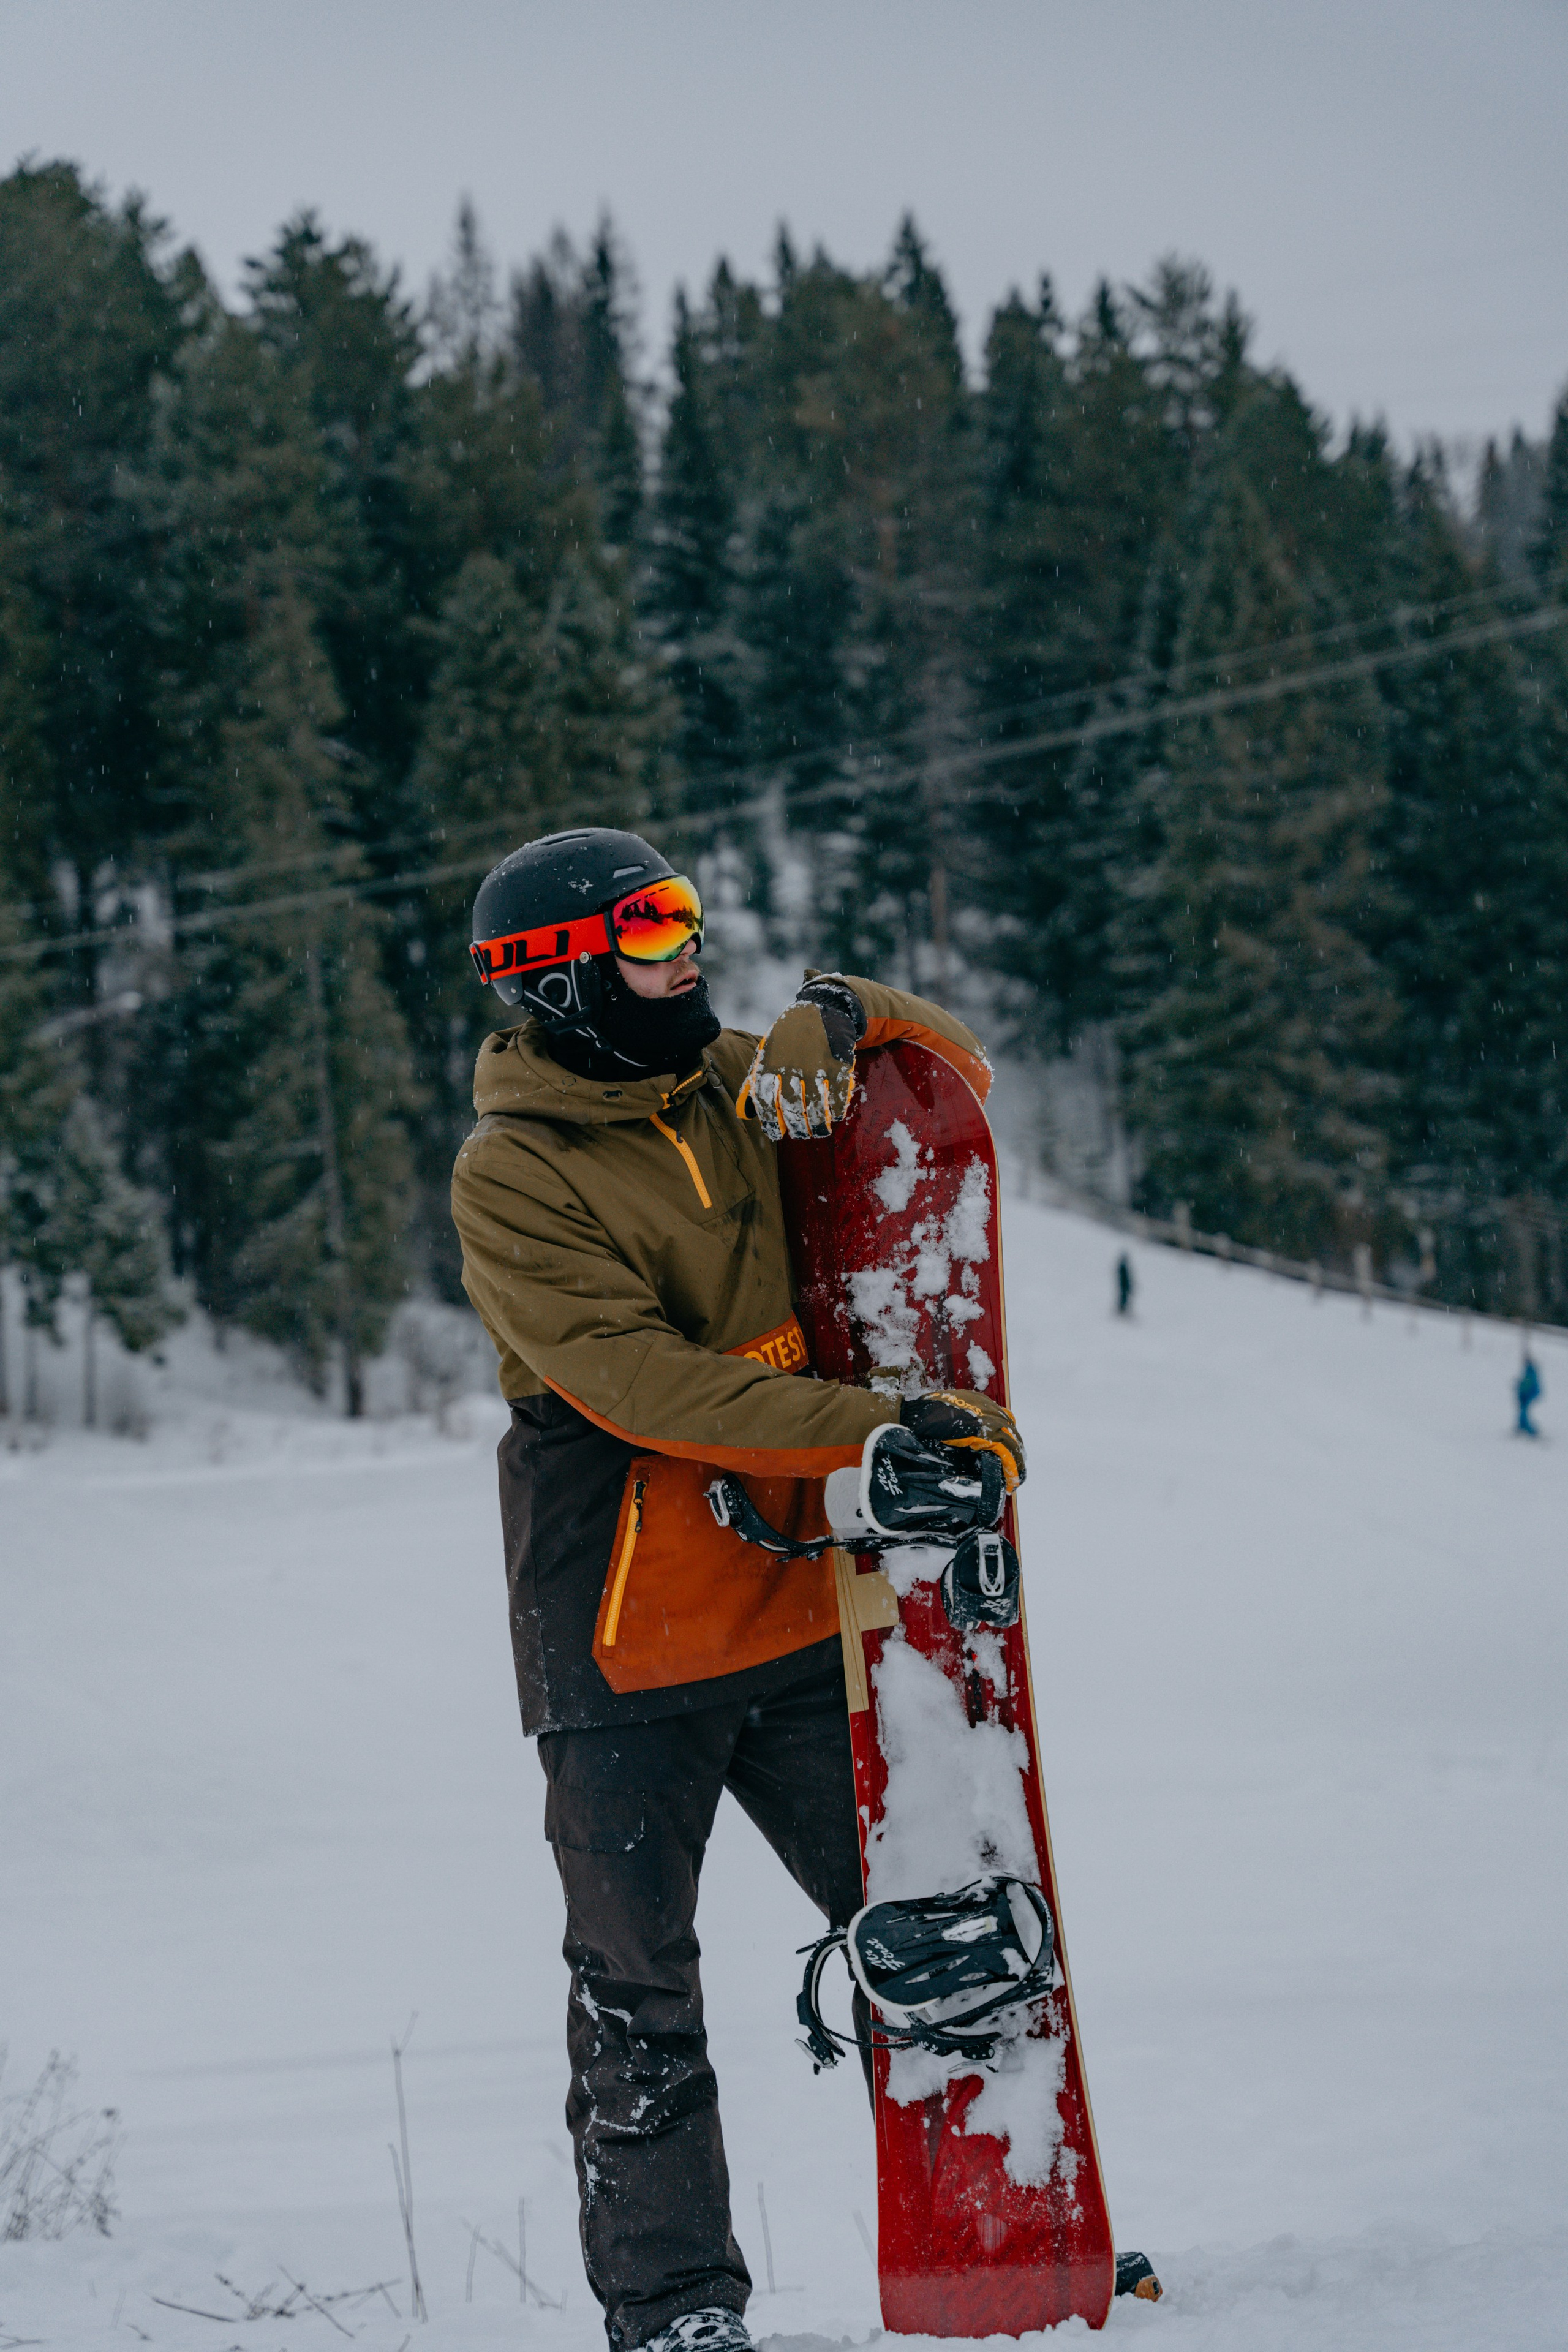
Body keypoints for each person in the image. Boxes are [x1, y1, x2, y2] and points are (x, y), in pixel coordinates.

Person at [450, 829, 1023, 2352]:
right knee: (638, 1995)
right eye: (649, 926)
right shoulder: (511, 1168)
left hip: (781, 1607)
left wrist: (845, 1005)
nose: (685, 945)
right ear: (557, 974)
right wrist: (872, 1432)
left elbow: (952, 1073)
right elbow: (642, 1383)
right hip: (620, 1642)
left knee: (937, 1917)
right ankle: (676, 2308)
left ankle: (1010, 2225)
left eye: (688, 913)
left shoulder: (728, 1080)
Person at [1516, 1351, 1542, 1437]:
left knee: (1524, 1411)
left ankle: (1529, 1429)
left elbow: (1529, 1383)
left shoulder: (1531, 1371)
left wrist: (1522, 1388)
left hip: (1528, 1395)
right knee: (1523, 1411)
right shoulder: (1529, 1370)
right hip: (1525, 1394)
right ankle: (1522, 1426)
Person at [1115, 1251, 1134, 1317]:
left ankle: (1123, 1309)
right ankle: (1122, 1310)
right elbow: (1124, 1277)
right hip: (1123, 1285)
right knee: (1123, 1297)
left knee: (1124, 1297)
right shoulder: (1123, 1267)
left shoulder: (1123, 1267)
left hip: (1124, 1285)